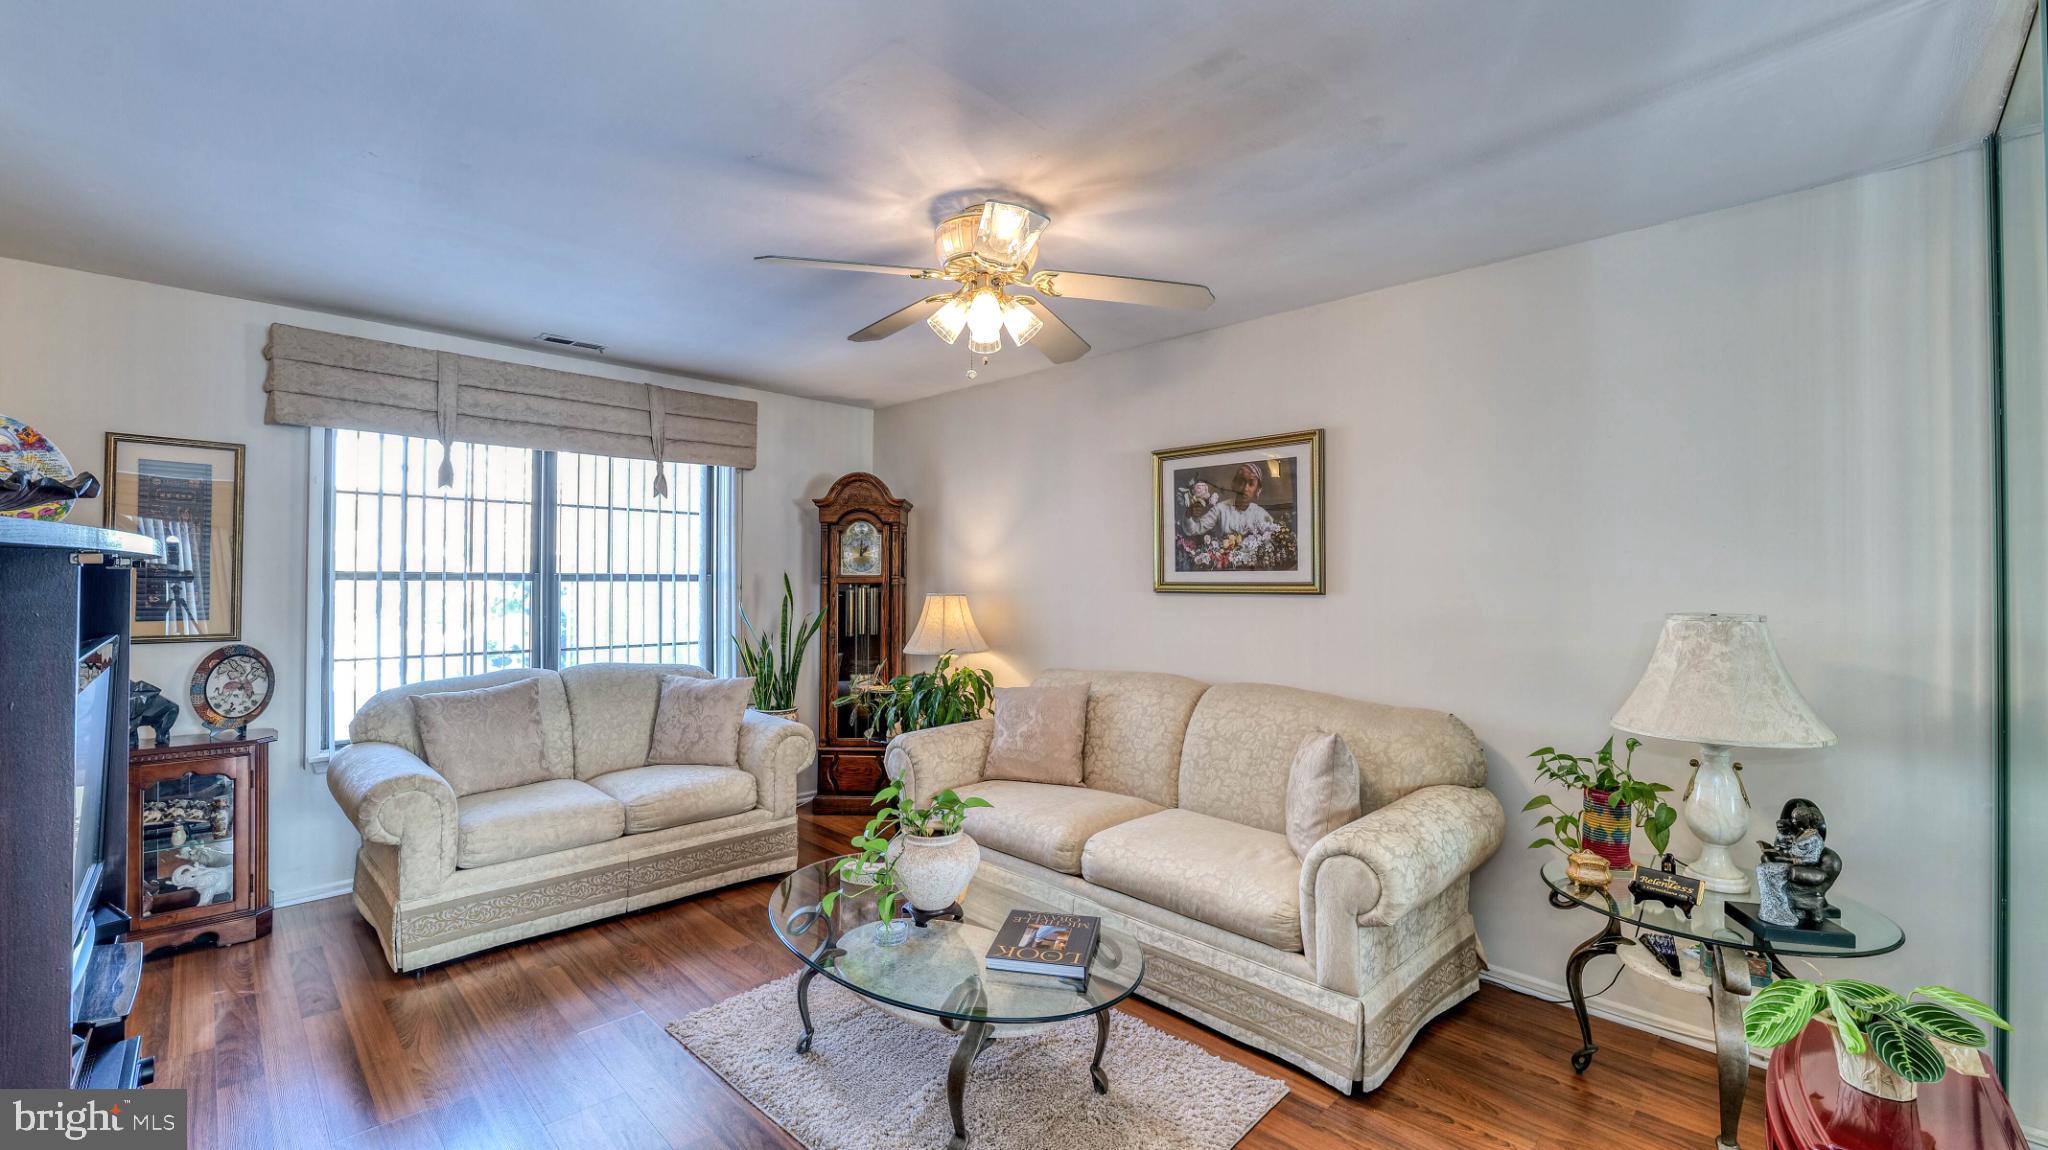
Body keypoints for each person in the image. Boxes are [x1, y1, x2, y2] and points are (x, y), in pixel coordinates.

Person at [1183, 462, 1277, 539]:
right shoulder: (1220, 509)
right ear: (1234, 484)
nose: (1245, 488)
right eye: (1241, 481)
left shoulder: (1260, 514)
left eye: (1251, 484)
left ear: (1258, 489)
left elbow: (1274, 538)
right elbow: (1193, 530)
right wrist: (1188, 514)